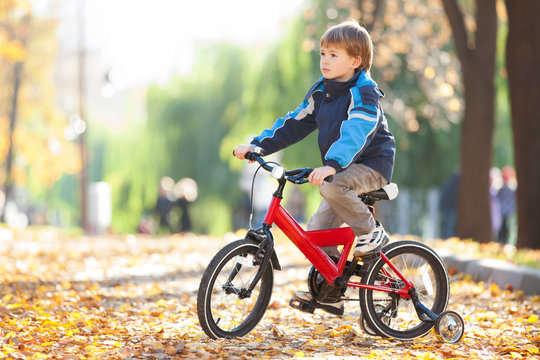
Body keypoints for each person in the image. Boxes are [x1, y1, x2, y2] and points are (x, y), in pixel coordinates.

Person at [233, 20, 395, 316]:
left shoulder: (364, 92)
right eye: (323, 54)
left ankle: (371, 234)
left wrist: (332, 165)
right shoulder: (322, 92)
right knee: (317, 231)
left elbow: (357, 130)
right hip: (342, 169)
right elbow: (293, 123)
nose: (325, 60)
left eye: (334, 55)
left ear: (356, 61)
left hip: (371, 164)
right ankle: (333, 290)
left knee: (333, 185)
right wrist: (258, 146)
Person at [496, 166, 517, 245]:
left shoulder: (512, 186)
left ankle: (509, 243)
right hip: (502, 210)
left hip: (510, 210)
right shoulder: (501, 186)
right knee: (501, 227)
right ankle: (500, 242)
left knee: (509, 227)